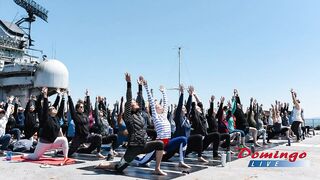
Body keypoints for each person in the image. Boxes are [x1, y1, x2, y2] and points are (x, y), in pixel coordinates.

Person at [95, 73, 167, 176]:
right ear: (130, 106)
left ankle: (157, 169)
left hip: (143, 144)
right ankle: (104, 165)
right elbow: (129, 99)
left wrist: (140, 86)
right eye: (135, 103)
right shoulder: (128, 116)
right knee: (120, 168)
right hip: (133, 147)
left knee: (159, 144)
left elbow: (140, 100)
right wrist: (129, 83)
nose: (137, 103)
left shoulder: (139, 114)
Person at [132, 76, 190, 168]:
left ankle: (181, 161)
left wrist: (163, 92)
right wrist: (146, 86)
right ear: (155, 109)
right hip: (158, 144)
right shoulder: (155, 116)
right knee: (142, 162)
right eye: (158, 105)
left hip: (168, 142)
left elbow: (166, 103)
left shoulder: (164, 115)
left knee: (183, 139)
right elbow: (151, 101)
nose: (160, 106)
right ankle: (131, 157)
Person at [22, 88, 68, 164]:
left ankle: (65, 157)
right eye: (52, 108)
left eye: (54, 108)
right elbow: (45, 108)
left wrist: (62, 97)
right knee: (34, 157)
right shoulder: (46, 117)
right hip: (44, 143)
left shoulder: (57, 118)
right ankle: (25, 155)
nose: (54, 108)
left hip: (53, 142)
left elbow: (61, 108)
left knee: (64, 139)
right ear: (49, 112)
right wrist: (45, 96)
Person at [67, 89, 105, 158]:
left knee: (98, 137)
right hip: (78, 138)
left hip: (87, 136)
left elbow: (87, 105)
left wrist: (88, 95)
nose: (82, 108)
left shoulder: (86, 114)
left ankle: (98, 152)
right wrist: (69, 96)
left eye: (82, 107)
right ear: (77, 108)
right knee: (69, 153)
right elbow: (71, 107)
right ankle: (60, 151)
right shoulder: (75, 115)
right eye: (81, 107)